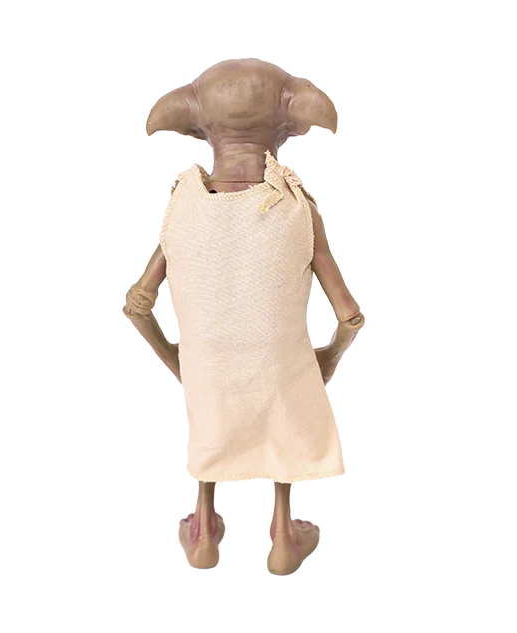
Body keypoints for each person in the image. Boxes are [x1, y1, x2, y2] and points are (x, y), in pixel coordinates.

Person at [128, 59, 363, 575]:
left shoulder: (184, 207)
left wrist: (176, 359)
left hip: (208, 363)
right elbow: (348, 314)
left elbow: (138, 303)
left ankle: (202, 526)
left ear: (192, 120)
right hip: (278, 361)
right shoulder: (293, 206)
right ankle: (282, 532)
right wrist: (327, 358)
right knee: (285, 406)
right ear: (291, 116)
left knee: (208, 413)